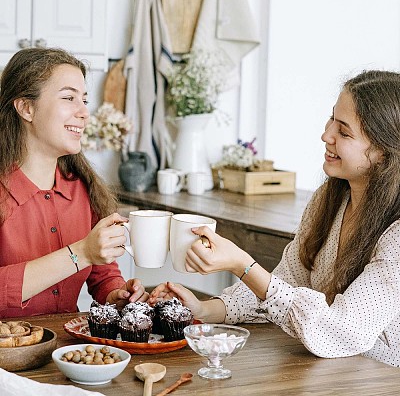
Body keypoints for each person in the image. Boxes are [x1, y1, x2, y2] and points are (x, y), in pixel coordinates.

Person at [150, 70, 400, 367]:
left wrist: (242, 265)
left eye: (344, 132)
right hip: (326, 374)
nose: (326, 135)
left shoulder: (396, 236)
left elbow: (340, 331)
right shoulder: (330, 200)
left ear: (384, 153)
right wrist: (205, 310)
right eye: (331, 119)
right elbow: (284, 285)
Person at [0, 48, 148, 319]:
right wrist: (80, 253)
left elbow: (103, 275)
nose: (84, 113)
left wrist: (117, 293)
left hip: (68, 353)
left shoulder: (82, 189)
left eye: (84, 100)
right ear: (26, 108)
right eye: (69, 98)